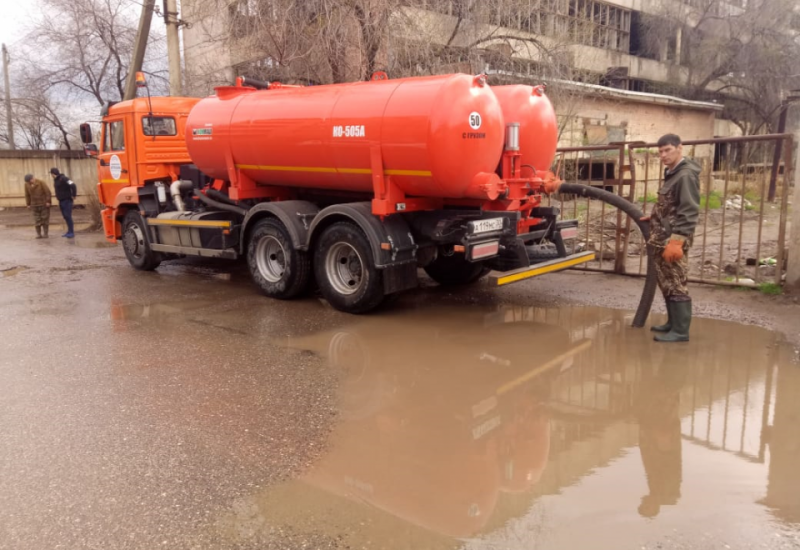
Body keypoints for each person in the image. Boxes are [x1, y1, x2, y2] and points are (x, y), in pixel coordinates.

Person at [641, 134, 700, 343]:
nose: (663, 155)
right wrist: (657, 216)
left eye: (667, 150)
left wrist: (677, 241)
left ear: (679, 148)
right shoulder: (672, 173)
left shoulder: (685, 175)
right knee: (666, 281)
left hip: (673, 239)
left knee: (676, 282)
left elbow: (689, 210)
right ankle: (672, 323)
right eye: (660, 152)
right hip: (662, 236)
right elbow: (672, 203)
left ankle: (681, 331)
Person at [50, 167, 77, 238]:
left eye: (51, 174)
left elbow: (73, 185)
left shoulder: (64, 178)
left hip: (67, 200)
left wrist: (74, 195)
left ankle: (71, 232)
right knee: (65, 216)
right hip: (61, 200)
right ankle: (69, 231)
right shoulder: (56, 180)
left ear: (53, 174)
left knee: (68, 216)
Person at [23, 174, 52, 239]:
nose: (30, 182)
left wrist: (48, 201)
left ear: (33, 178)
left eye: (30, 180)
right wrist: (28, 204)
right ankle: (38, 234)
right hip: (34, 205)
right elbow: (27, 195)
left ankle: (45, 234)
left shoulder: (41, 182)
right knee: (36, 220)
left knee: (45, 219)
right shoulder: (26, 185)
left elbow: (47, 192)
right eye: (28, 181)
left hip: (43, 204)